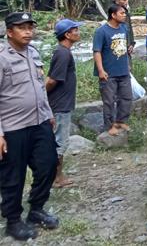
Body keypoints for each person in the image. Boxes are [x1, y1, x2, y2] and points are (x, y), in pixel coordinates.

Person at [0, 12, 59, 241]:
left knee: (48, 164)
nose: (28, 32)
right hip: (12, 127)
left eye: (30, 27)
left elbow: (39, 87)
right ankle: (13, 220)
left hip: (39, 122)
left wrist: (48, 113)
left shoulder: (33, 52)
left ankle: (36, 208)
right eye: (22, 27)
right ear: (9, 31)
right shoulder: (2, 57)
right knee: (13, 176)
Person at [46, 19, 83, 189]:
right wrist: (41, 96)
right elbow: (52, 80)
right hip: (60, 105)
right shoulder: (63, 53)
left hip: (62, 103)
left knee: (60, 141)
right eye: (75, 30)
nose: (78, 32)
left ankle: (57, 176)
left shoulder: (63, 52)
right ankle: (56, 177)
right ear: (67, 35)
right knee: (60, 142)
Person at [93, 4, 133, 135]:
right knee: (109, 100)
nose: (124, 15)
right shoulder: (101, 31)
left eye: (124, 13)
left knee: (127, 97)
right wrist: (100, 70)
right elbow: (97, 51)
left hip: (123, 71)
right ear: (113, 15)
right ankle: (109, 125)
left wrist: (127, 60)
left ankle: (121, 121)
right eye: (121, 13)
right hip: (108, 73)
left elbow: (124, 47)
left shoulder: (124, 28)